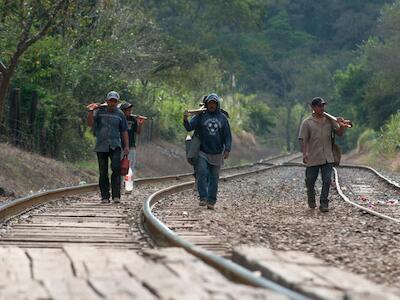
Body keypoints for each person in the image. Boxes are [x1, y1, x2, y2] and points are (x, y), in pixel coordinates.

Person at [183, 93, 232, 210]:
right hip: (203, 151)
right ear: (206, 104)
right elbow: (189, 127)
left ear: (217, 105)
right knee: (202, 173)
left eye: (214, 103)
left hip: (217, 152)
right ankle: (203, 197)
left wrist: (227, 149)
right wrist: (185, 119)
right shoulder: (200, 116)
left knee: (214, 177)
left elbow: (228, 136)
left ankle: (211, 200)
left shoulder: (223, 118)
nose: (211, 105)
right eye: (210, 103)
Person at [298, 97, 347, 212]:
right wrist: (305, 154)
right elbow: (303, 139)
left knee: (327, 180)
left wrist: (342, 125)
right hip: (313, 156)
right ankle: (311, 199)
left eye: (323, 106)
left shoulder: (329, 120)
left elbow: (339, 133)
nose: (322, 108)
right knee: (310, 181)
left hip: (327, 157)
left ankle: (324, 203)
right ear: (313, 107)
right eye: (319, 106)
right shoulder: (307, 123)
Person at [87, 91, 129, 204]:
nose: (112, 103)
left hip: (115, 146)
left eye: (114, 101)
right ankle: (105, 197)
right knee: (103, 172)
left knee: (116, 169)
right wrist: (91, 111)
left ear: (117, 102)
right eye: (111, 101)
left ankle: (116, 196)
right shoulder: (99, 112)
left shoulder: (120, 114)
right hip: (101, 145)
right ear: (107, 101)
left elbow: (124, 131)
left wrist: (126, 146)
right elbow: (90, 124)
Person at [119, 102, 145, 187]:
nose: (129, 112)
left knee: (130, 166)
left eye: (130, 110)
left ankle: (128, 184)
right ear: (122, 111)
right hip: (119, 146)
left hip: (131, 146)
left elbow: (138, 132)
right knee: (118, 166)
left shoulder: (133, 119)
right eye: (127, 110)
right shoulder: (119, 118)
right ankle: (118, 185)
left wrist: (140, 124)